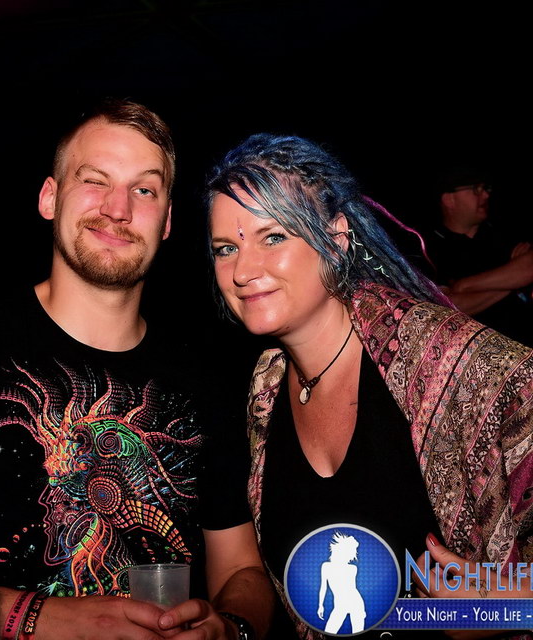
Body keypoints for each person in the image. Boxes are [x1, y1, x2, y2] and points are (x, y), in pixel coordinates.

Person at [0, 99, 273, 640]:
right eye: (95, 180)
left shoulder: (206, 382)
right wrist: (34, 619)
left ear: (167, 221)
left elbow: (242, 570)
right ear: (50, 197)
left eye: (145, 190)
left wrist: (230, 628)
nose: (118, 209)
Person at [205, 133, 533, 639]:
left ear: (336, 237)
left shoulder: (461, 367)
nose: (243, 271)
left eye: (273, 237)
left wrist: (507, 606)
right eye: (227, 248)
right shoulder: (263, 391)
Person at [425, 166, 533, 346]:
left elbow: (529, 267)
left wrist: (464, 285)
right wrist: (512, 282)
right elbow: (448, 306)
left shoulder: (502, 232)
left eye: (485, 188)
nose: (485, 195)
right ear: (449, 200)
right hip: (476, 353)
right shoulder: (430, 248)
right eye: (476, 189)